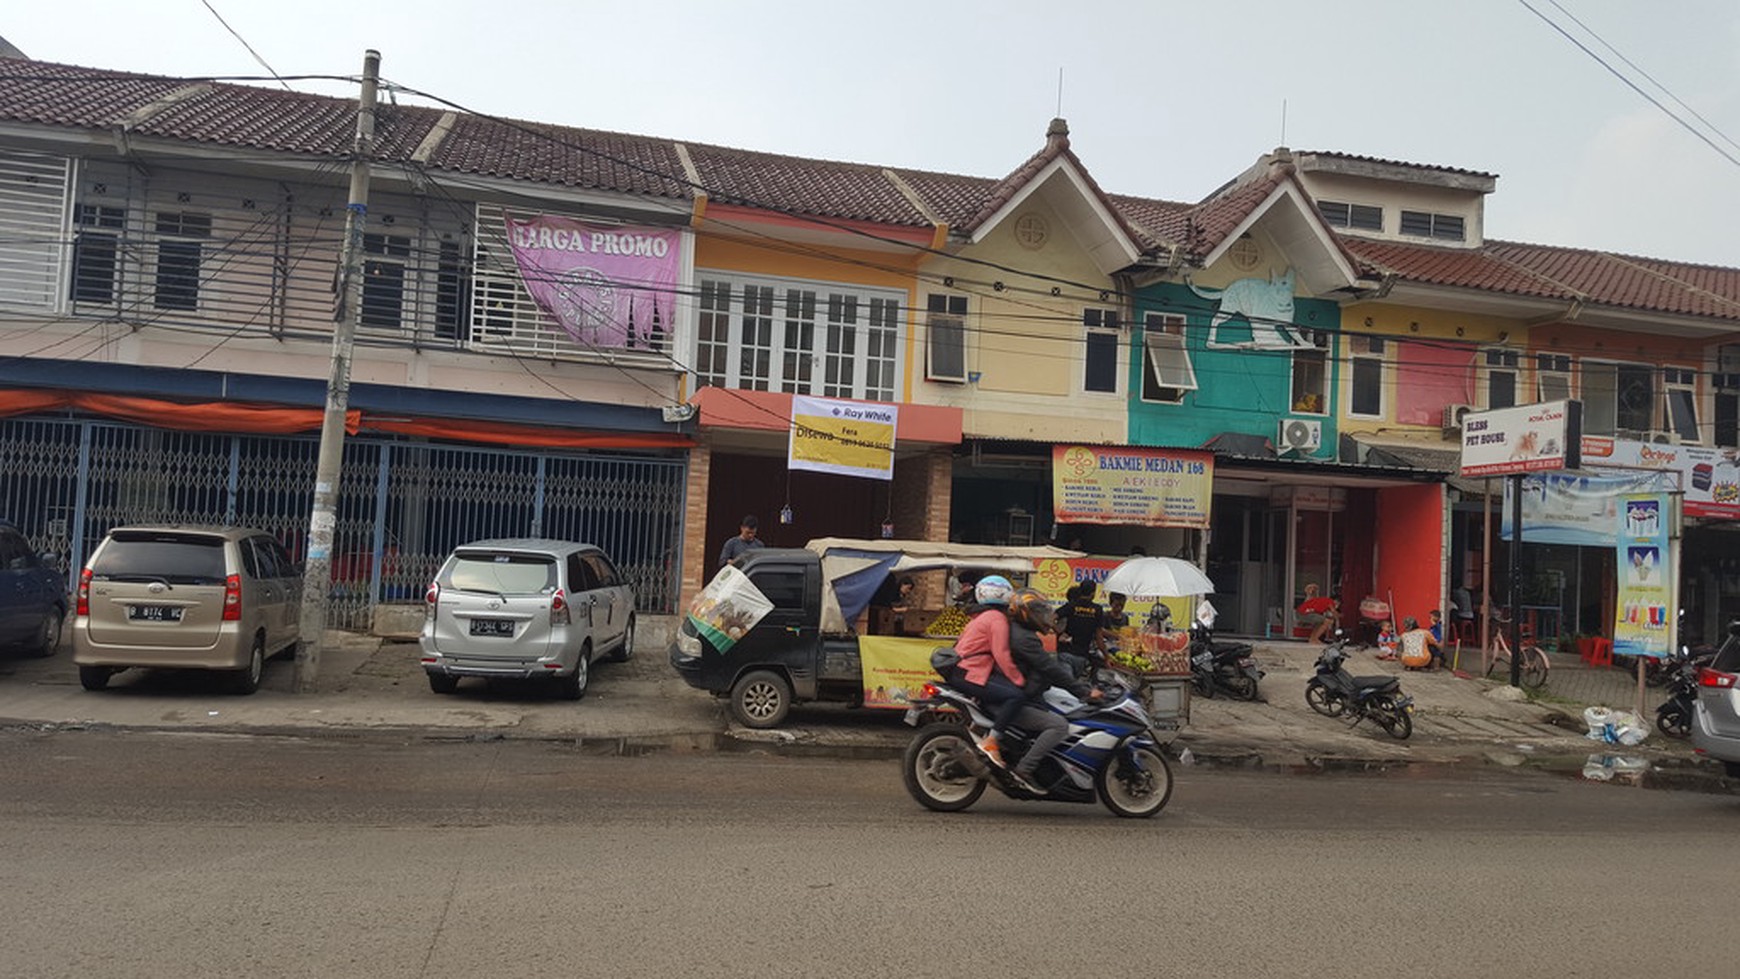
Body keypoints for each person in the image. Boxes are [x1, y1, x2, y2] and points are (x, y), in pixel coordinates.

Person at [1002, 588, 1101, 793]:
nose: (1043, 616)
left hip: (1025, 691)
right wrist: (1083, 691)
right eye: (1038, 611)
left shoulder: (1020, 632)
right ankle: (1024, 770)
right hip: (1019, 698)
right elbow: (1049, 668)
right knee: (1059, 726)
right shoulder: (1025, 639)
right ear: (1025, 613)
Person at [946, 575, 1031, 771]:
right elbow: (1001, 654)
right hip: (970, 672)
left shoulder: (979, 617)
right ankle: (992, 741)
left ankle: (979, 732)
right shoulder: (997, 619)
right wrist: (1018, 679)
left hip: (960, 670)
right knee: (1016, 696)